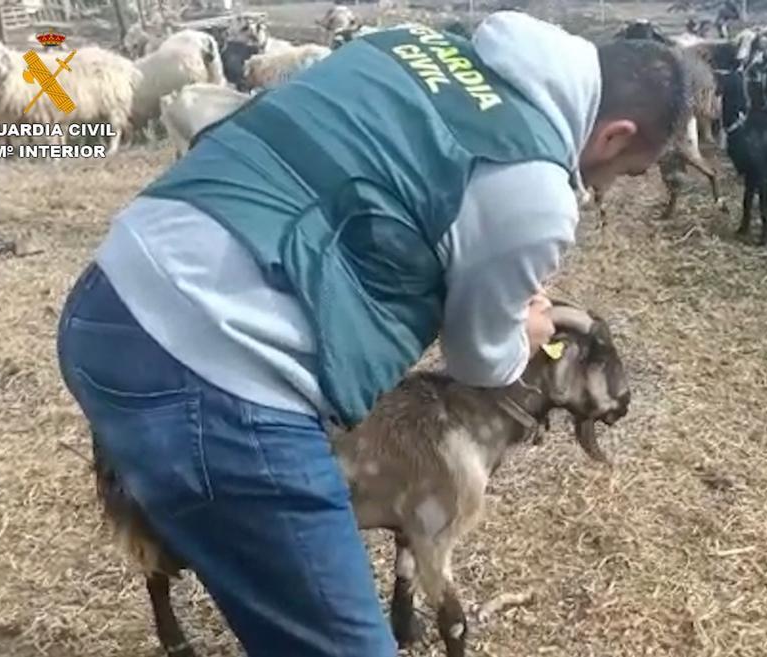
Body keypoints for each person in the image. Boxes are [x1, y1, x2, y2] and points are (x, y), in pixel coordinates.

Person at [55, 11, 687, 657]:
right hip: (215, 371)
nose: (601, 191)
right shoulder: (537, 184)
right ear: (614, 136)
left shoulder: (410, 46)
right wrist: (523, 328)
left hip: (108, 298)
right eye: (622, 175)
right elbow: (477, 360)